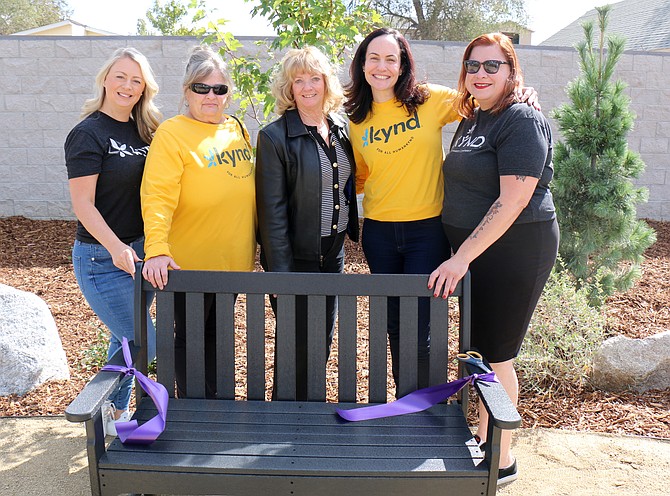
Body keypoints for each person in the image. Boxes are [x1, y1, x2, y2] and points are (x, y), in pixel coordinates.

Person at [428, 33, 559, 485]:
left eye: (492, 66)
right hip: (477, 252)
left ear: (511, 71)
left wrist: (460, 257)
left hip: (516, 247)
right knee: (481, 351)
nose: (480, 74)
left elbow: (512, 201)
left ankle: (500, 459)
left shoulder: (521, 119)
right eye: (472, 65)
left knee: (497, 354)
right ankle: (484, 440)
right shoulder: (474, 117)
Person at [141, 45, 256, 398]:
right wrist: (157, 249)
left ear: (228, 93)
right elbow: (157, 195)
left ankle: (219, 410)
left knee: (219, 338)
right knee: (191, 340)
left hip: (232, 265)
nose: (211, 96)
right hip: (187, 263)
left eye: (219, 89)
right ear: (187, 91)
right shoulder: (172, 133)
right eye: (201, 88)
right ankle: (192, 415)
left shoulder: (236, 128)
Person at [65, 47, 161, 436]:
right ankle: (103, 409)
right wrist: (114, 247)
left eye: (136, 80)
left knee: (124, 341)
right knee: (143, 343)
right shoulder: (87, 133)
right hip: (101, 259)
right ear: (105, 78)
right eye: (121, 76)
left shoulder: (146, 132)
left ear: (144, 90)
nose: (127, 85)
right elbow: (82, 205)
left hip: (140, 253)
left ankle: (109, 413)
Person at [255, 46, 359, 400]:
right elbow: (272, 213)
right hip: (293, 260)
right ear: (289, 88)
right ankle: (284, 416)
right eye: (299, 80)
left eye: (315, 78)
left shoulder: (341, 128)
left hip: (332, 256)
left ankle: (310, 410)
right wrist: (282, 276)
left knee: (322, 339)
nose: (308, 86)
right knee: (293, 345)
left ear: (326, 82)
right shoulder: (274, 137)